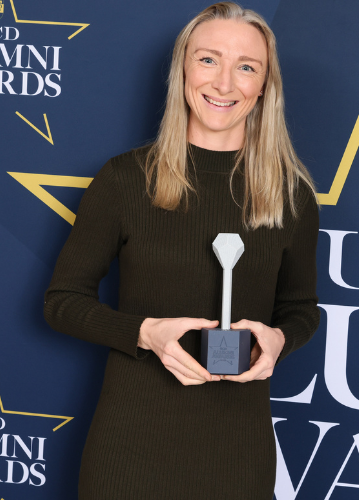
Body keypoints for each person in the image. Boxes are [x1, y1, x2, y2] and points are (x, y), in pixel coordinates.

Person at [43, 2, 320, 498]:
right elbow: (63, 302)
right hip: (129, 450)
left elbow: (300, 310)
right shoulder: (125, 179)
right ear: (183, 70)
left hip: (237, 452)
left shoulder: (290, 195)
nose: (224, 83)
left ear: (264, 87)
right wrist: (146, 333)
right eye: (208, 59)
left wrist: (280, 340)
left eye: (246, 67)